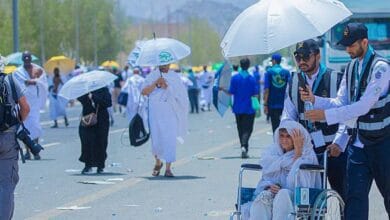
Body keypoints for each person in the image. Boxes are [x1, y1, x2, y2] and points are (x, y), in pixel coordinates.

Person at [301, 23, 390, 220]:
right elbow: (341, 102)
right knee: (354, 199)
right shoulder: (350, 67)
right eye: (346, 45)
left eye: (351, 45)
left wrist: (325, 116)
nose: (347, 49)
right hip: (358, 145)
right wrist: (315, 100)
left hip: (383, 145)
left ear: (364, 42)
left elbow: (363, 106)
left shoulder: (381, 68)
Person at [282, 39, 348, 200]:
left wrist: (339, 142)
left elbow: (346, 114)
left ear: (318, 56)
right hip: (307, 149)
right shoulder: (293, 81)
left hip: (334, 149)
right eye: (298, 57)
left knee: (344, 195)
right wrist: (288, 137)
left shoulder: (336, 79)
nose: (301, 61)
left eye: (306, 57)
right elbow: (288, 114)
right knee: (308, 198)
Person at [241, 120, 321, 220]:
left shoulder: (307, 155)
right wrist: (269, 186)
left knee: (283, 194)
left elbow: (298, 183)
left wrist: (298, 153)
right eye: (281, 136)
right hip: (275, 192)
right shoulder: (274, 153)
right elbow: (266, 178)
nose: (284, 140)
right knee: (263, 196)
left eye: (289, 136)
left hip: (297, 196)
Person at [141, 64, 189, 177]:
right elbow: (144, 92)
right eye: (162, 63)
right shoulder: (151, 76)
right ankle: (158, 162)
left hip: (170, 113)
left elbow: (181, 95)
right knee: (156, 140)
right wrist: (156, 83)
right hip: (155, 113)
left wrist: (167, 87)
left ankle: (168, 168)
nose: (164, 66)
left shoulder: (174, 77)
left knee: (169, 139)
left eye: (166, 63)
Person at [0, 55, 30, 220]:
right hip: (7, 138)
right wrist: (16, 121)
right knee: (6, 184)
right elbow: (25, 107)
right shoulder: (10, 81)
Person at [220, 58, 259, 158]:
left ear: (241, 66)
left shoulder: (235, 78)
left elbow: (230, 92)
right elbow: (255, 93)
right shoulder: (252, 78)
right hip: (249, 108)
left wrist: (223, 89)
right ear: (248, 65)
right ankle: (244, 146)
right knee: (248, 129)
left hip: (237, 108)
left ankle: (243, 146)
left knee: (240, 128)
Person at [13, 51, 48, 160]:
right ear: (23, 59)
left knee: (35, 126)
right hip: (24, 102)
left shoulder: (38, 69)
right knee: (25, 127)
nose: (27, 60)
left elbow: (43, 82)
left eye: (29, 58)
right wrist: (30, 81)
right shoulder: (18, 72)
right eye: (25, 58)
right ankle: (28, 151)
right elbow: (18, 83)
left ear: (31, 59)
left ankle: (35, 150)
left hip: (35, 103)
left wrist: (35, 80)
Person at [78, 87, 112, 174]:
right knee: (86, 142)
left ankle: (100, 165)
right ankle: (87, 165)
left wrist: (94, 97)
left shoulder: (104, 90)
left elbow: (108, 103)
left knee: (101, 142)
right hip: (88, 118)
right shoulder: (84, 89)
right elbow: (80, 99)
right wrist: (86, 95)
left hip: (101, 119)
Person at [263, 53, 290, 133]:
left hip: (272, 103)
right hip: (284, 103)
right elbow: (289, 88)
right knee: (284, 125)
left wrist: (265, 104)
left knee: (275, 125)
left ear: (274, 61)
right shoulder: (286, 72)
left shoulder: (269, 72)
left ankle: (276, 142)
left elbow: (267, 89)